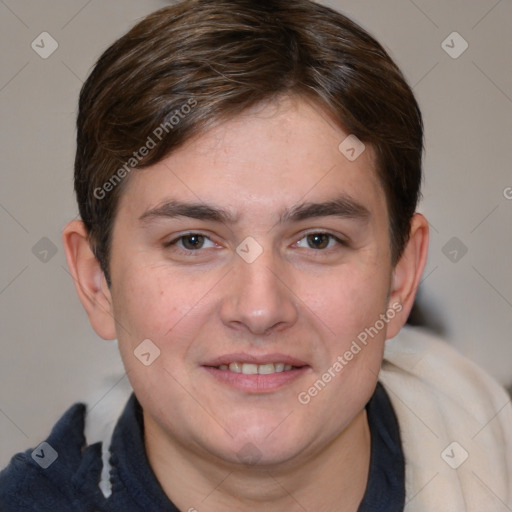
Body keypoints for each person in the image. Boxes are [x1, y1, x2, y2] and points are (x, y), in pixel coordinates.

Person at [1, 0, 511, 510]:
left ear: (401, 278)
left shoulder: (490, 449)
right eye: (193, 241)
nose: (260, 309)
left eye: (318, 240)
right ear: (97, 282)